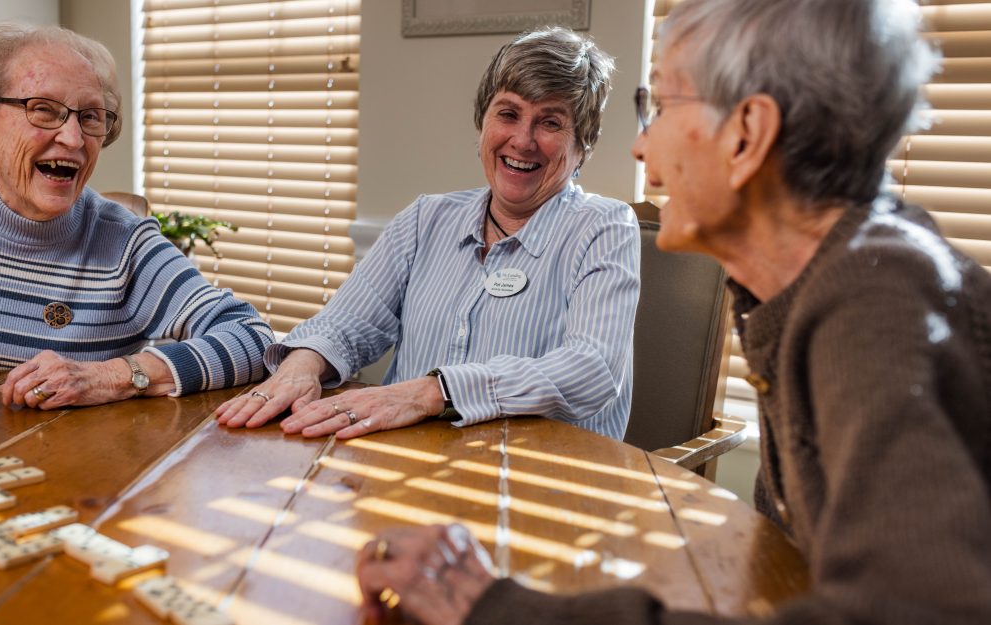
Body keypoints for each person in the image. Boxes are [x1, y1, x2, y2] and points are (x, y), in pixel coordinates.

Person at [355, 1, 991, 624]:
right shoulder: (831, 281)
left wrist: (500, 609)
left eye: (659, 107)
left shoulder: (870, 310)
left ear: (747, 134)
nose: (639, 147)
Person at [215, 27, 640, 440]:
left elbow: (592, 369)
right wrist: (302, 367)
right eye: (508, 114)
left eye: (550, 122)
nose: (523, 140)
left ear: (582, 144)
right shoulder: (425, 219)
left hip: (543, 479)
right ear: (482, 124)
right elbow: (347, 323)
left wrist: (433, 391)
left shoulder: (605, 228)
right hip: (407, 460)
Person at [0, 23, 273, 408]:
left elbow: (253, 340)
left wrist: (117, 376)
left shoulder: (124, 243)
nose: (73, 138)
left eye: (90, 117)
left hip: (73, 476)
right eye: (43, 109)